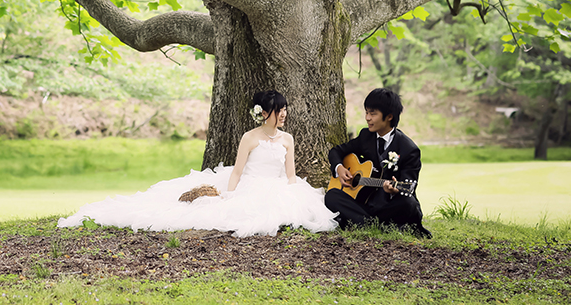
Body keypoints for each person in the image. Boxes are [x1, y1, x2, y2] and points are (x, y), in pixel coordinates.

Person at [58, 90, 339, 237]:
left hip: (276, 185)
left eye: (285, 110)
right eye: (279, 111)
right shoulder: (249, 138)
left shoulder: (288, 138)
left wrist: (296, 191)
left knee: (289, 209)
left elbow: (290, 175)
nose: (283, 115)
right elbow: (239, 170)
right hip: (250, 183)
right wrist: (231, 193)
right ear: (264, 113)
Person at [325, 88, 432, 238]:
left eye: (373, 113)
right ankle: (376, 226)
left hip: (388, 206)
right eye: (367, 112)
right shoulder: (366, 136)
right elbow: (336, 151)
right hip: (364, 203)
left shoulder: (409, 149)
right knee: (332, 195)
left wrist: (395, 190)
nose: (367, 118)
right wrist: (340, 168)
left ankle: (363, 223)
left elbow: (410, 186)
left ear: (389, 116)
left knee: (409, 204)